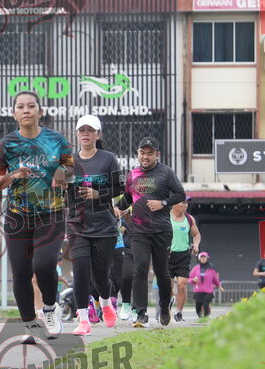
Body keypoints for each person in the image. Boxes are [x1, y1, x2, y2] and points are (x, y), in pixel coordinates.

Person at [0, 91, 73, 343]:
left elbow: (71, 166)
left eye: (31, 106)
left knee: (44, 264)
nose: (26, 110)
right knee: (21, 272)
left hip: (51, 213)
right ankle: (30, 324)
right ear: (14, 114)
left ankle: (49, 308)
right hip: (18, 216)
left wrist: (62, 170)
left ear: (40, 111)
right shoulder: (6, 144)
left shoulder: (56, 140)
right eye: (20, 107)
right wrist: (12, 176)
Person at [116, 137, 185, 328]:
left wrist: (163, 203)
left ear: (157, 155)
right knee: (140, 268)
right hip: (139, 231)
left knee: (162, 272)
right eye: (142, 153)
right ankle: (141, 313)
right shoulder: (132, 174)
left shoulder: (166, 172)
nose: (145, 157)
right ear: (137, 154)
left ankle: (164, 306)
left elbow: (180, 194)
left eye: (150, 153)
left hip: (161, 230)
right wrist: (117, 208)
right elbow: (127, 198)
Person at [66, 115, 124, 335]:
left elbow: (119, 189)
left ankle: (106, 304)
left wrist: (98, 194)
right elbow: (64, 193)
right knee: (80, 271)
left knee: (100, 276)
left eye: (90, 130)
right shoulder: (69, 161)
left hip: (104, 226)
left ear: (98, 134)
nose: (86, 134)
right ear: (77, 134)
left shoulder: (108, 159)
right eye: (82, 130)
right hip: (77, 225)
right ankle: (83, 320)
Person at [169, 198, 201, 323]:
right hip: (167, 255)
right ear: (174, 204)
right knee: (168, 287)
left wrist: (196, 245)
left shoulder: (189, 219)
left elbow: (196, 235)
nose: (186, 205)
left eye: (187, 202)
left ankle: (178, 313)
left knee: (182, 285)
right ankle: (171, 298)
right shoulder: (165, 217)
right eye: (183, 202)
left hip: (183, 255)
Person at [189, 252, 223, 318]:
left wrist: (219, 286)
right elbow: (190, 278)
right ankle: (200, 317)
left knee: (206, 304)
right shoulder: (196, 268)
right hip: (198, 290)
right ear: (199, 258)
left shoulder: (211, 268)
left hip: (208, 290)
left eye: (204, 257)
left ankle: (205, 316)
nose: (203, 258)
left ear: (207, 258)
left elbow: (215, 279)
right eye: (201, 257)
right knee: (198, 305)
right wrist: (193, 279)